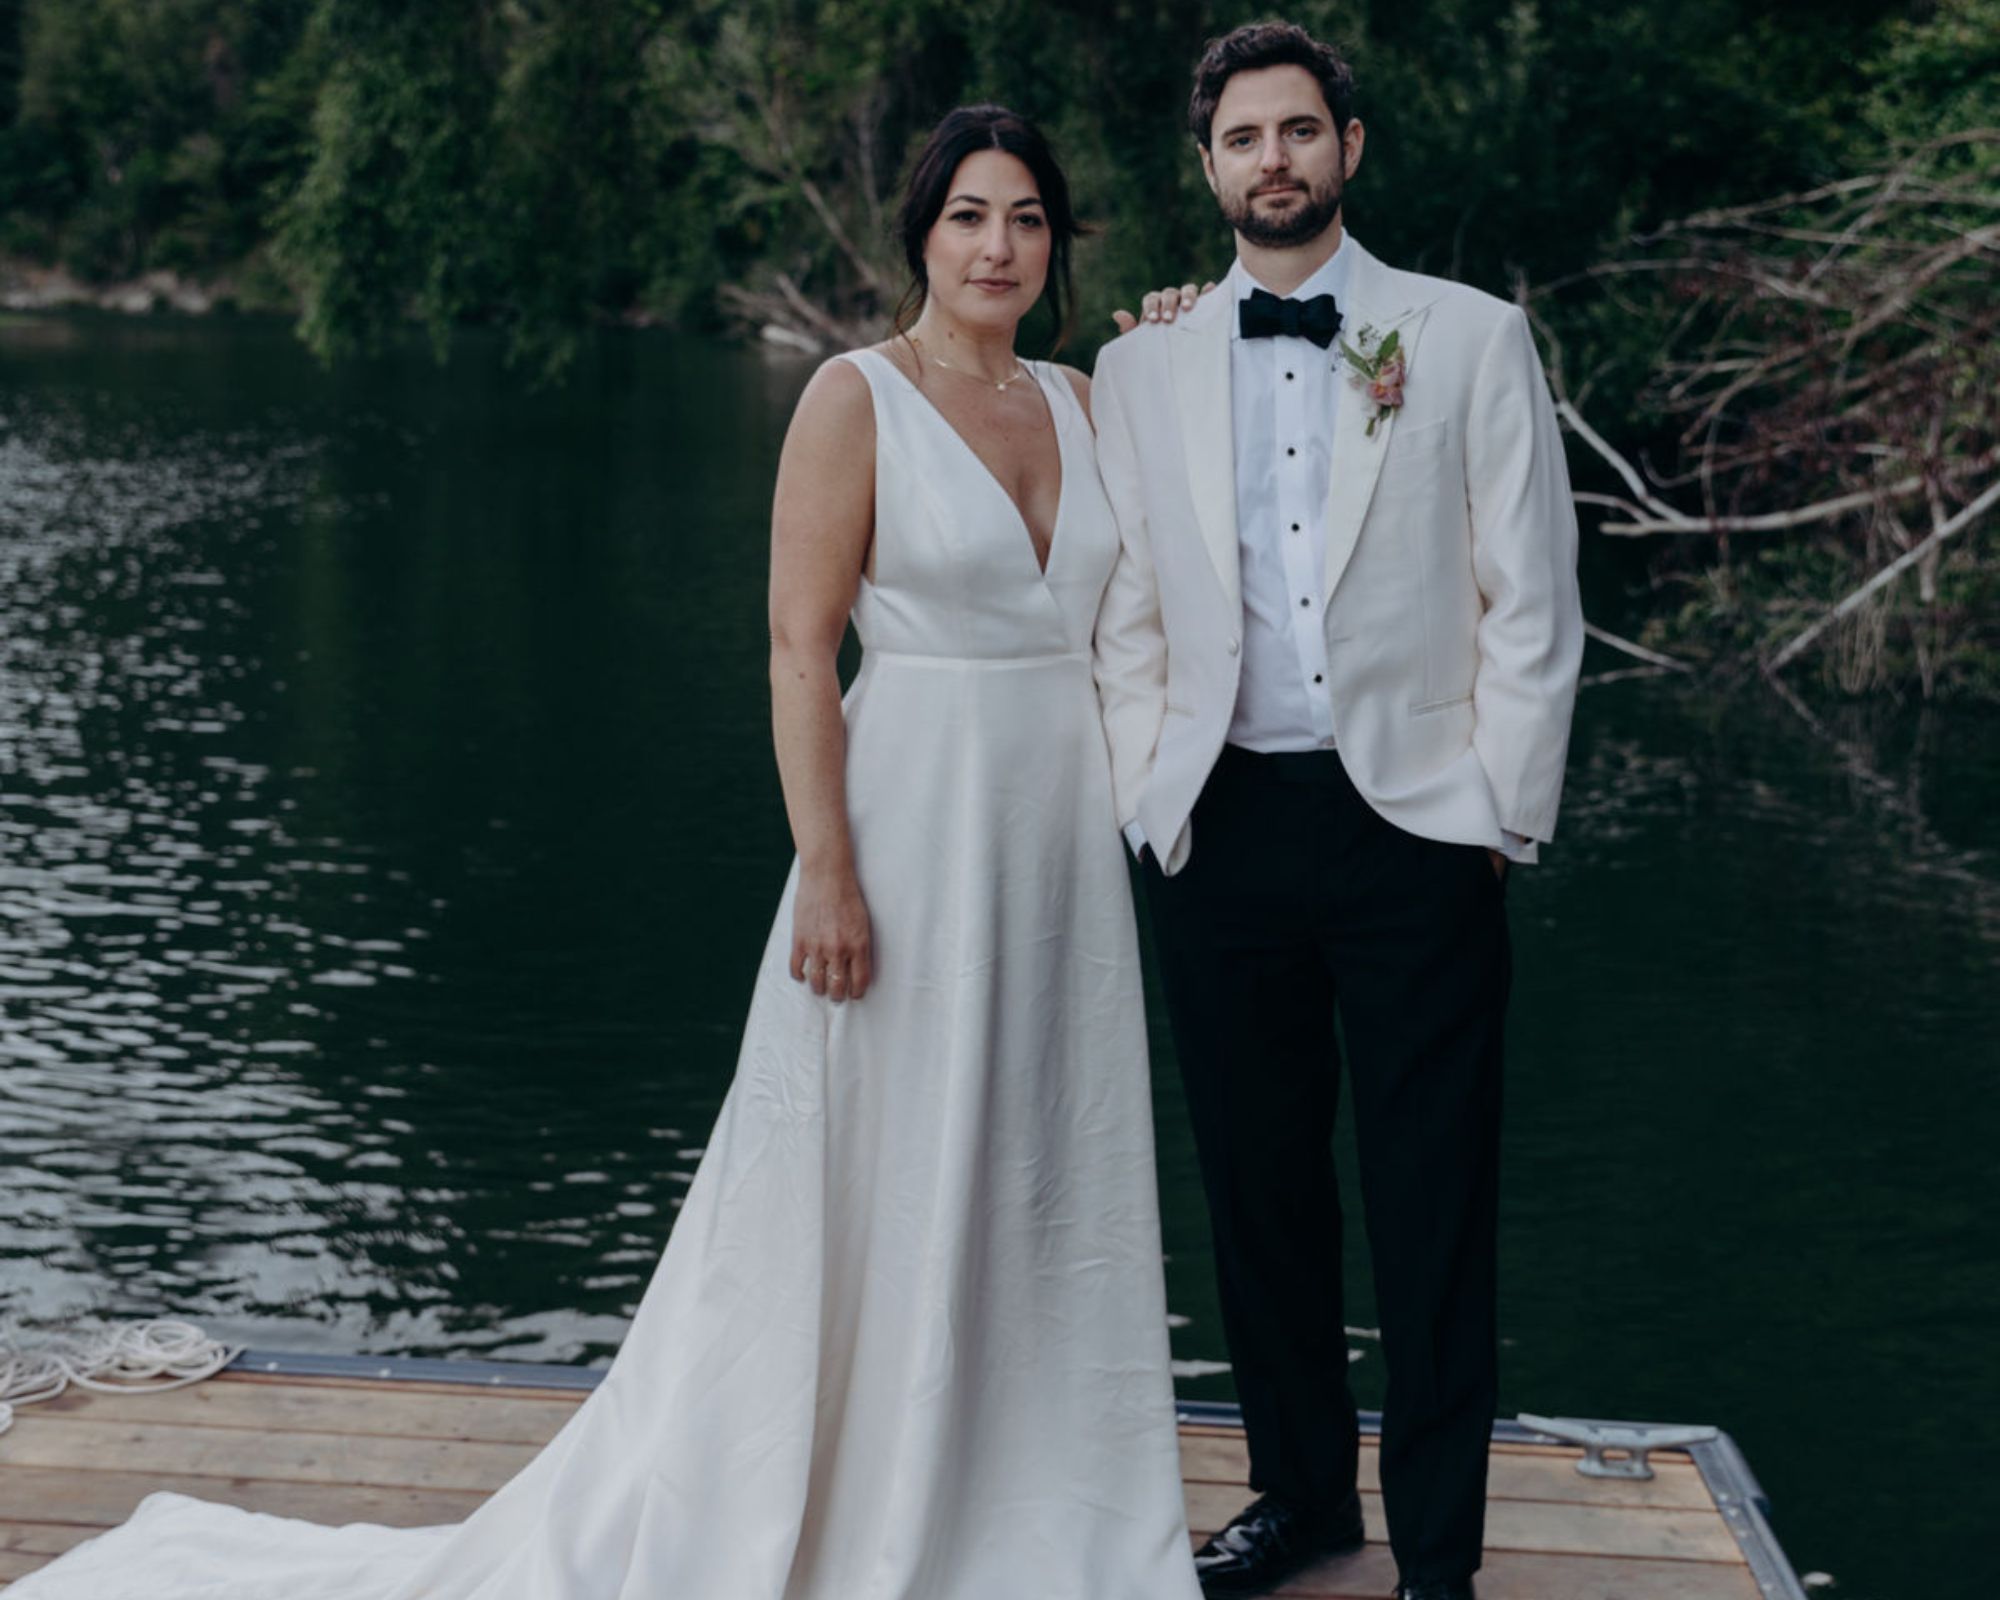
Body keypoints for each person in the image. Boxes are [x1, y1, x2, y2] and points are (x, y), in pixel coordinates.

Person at [6, 105, 1204, 1600]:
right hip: (906, 827)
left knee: (1033, 1160)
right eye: (970, 214)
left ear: (1058, 242)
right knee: (873, 1160)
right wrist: (823, 869)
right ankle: (857, 1489)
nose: (999, 245)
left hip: (1055, 856)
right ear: (922, 232)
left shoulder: (1089, 402)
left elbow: (1167, 561)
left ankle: (1022, 1488)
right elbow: (792, 651)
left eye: (1027, 218)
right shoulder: (856, 397)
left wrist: (1186, 327)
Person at [1090, 23, 1585, 1600]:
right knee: (1258, 1192)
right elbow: (1127, 614)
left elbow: (1533, 598)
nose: (1274, 161)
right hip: (1221, 826)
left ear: (1348, 148)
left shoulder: (1467, 336)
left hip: (1416, 829)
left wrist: (1496, 817)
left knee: (1434, 1201)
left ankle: (1441, 1554)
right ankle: (1299, 1497)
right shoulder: (1138, 362)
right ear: (1211, 164)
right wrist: (1144, 796)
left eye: (1299, 131)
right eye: (1244, 138)